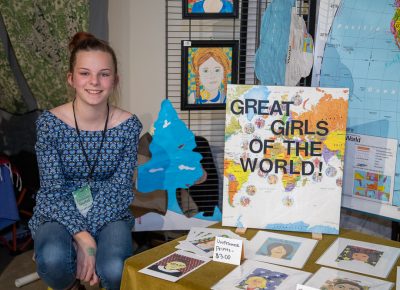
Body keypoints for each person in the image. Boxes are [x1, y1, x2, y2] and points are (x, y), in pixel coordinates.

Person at [29, 32, 142, 290]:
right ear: (71, 79)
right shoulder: (50, 124)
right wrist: (85, 238)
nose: (95, 82)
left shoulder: (128, 126)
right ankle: (70, 285)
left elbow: (121, 188)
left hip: (110, 207)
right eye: (85, 73)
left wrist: (85, 236)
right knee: (54, 259)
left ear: (115, 80)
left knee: (115, 269)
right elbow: (52, 190)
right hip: (59, 207)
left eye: (104, 73)